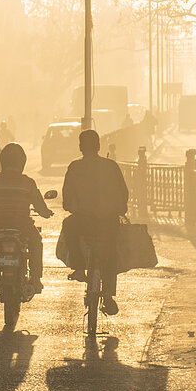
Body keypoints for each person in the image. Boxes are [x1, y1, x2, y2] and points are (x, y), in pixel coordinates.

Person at [61, 130, 129, 316]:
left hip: (83, 221)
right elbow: (123, 193)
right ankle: (108, 295)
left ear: (81, 147)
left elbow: (67, 197)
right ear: (98, 146)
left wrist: (72, 207)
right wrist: (120, 209)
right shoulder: (111, 166)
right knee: (110, 252)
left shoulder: (75, 167)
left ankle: (78, 267)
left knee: (68, 226)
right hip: (108, 222)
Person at [0, 143, 52, 293]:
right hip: (23, 227)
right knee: (36, 243)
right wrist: (47, 213)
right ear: (22, 162)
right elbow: (40, 207)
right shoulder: (28, 182)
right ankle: (35, 278)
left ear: (2, 161)